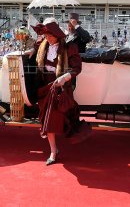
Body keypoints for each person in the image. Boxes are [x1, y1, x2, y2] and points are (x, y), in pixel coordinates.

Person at [31, 18, 83, 166]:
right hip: (44, 86)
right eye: (45, 35)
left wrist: (64, 78)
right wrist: (30, 50)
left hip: (60, 86)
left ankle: (54, 151)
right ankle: (53, 150)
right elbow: (35, 47)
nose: (47, 38)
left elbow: (77, 68)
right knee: (46, 119)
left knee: (52, 118)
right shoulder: (43, 44)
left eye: (49, 35)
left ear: (56, 34)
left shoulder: (68, 46)